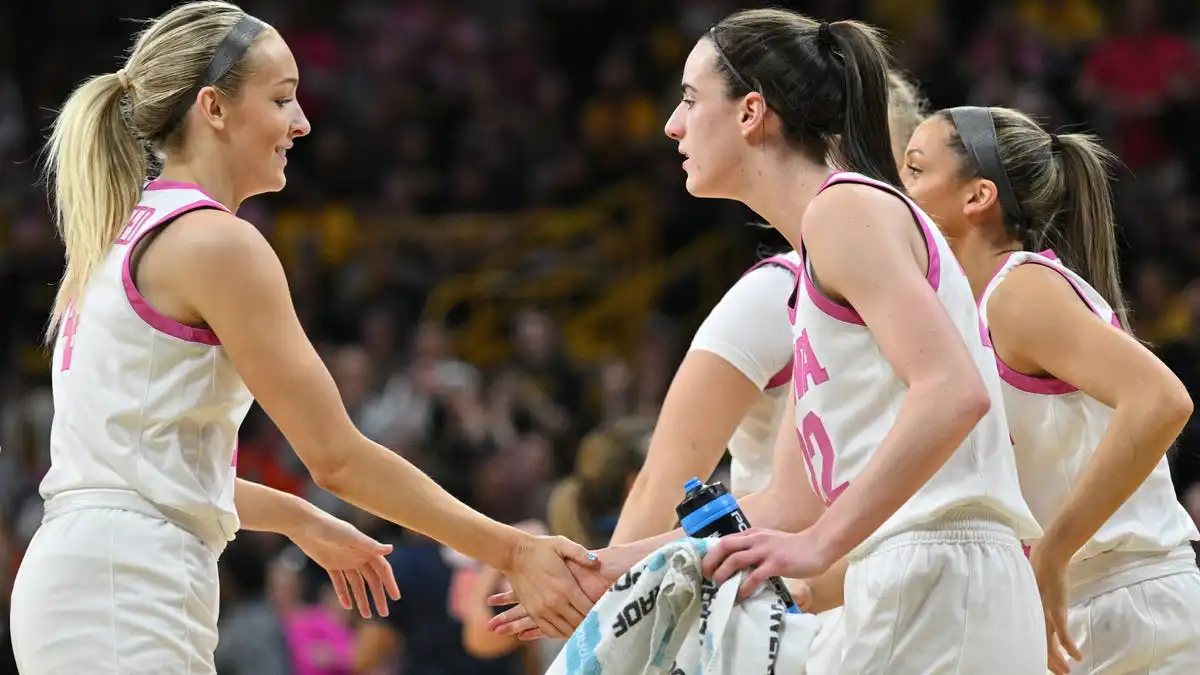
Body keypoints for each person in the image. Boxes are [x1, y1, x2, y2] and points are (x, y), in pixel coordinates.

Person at [7, 3, 595, 673]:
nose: (301, 121)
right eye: (282, 98)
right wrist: (510, 549)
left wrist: (299, 518)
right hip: (120, 583)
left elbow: (144, 470)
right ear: (215, 108)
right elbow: (336, 457)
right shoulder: (216, 242)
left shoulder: (126, 232)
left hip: (92, 573)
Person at [489, 10, 1045, 673]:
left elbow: (954, 392)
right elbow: (788, 501)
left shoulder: (845, 209)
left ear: (752, 112)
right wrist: (601, 565)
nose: (671, 123)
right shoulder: (808, 266)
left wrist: (819, 543)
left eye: (692, 100)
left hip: (933, 572)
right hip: (922, 576)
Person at [607, 68, 928, 673]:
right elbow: (664, 484)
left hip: (890, 595)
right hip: (784, 620)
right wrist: (608, 633)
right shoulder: (773, 294)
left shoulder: (933, 290)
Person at [902, 106, 1200, 674]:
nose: (899, 190)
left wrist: (1053, 553)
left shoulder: (1020, 290)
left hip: (1123, 598)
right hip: (1088, 605)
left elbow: (1162, 400)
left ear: (977, 197)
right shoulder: (975, 307)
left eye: (915, 170)